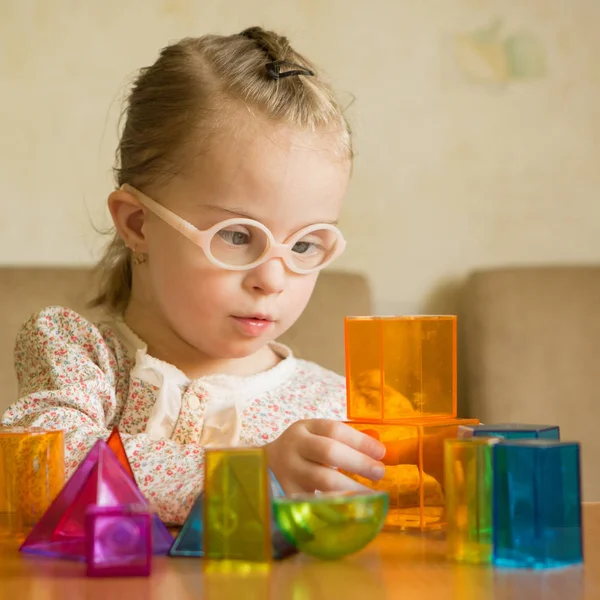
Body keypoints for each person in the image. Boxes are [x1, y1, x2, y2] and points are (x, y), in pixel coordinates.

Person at [2, 26, 387, 525]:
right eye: (236, 235)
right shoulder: (77, 359)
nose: (272, 279)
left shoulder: (335, 409)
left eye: (305, 244)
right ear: (138, 224)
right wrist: (246, 476)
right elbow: (47, 469)